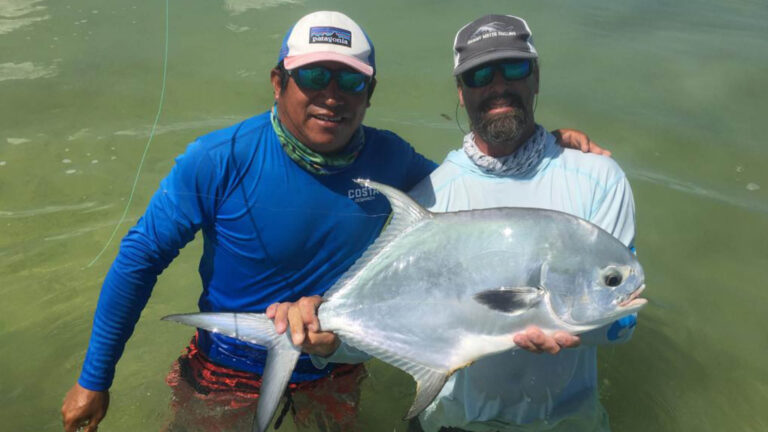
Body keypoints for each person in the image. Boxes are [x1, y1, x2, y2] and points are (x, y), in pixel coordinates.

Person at [60, 11, 603, 432]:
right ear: (278, 82)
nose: (332, 95)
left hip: (337, 365)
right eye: (314, 75)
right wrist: (94, 378)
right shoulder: (217, 159)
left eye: (352, 82)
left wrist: (546, 147)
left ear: (370, 94)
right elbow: (140, 258)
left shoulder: (396, 163)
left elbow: (469, 206)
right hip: (226, 365)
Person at [406, 14, 639, 431]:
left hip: (568, 422)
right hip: (452, 421)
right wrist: (323, 341)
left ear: (535, 77)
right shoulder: (430, 197)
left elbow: (622, 321)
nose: (498, 85)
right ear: (461, 92)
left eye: (513, 68)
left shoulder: (599, 179)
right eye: (479, 74)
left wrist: (579, 330)